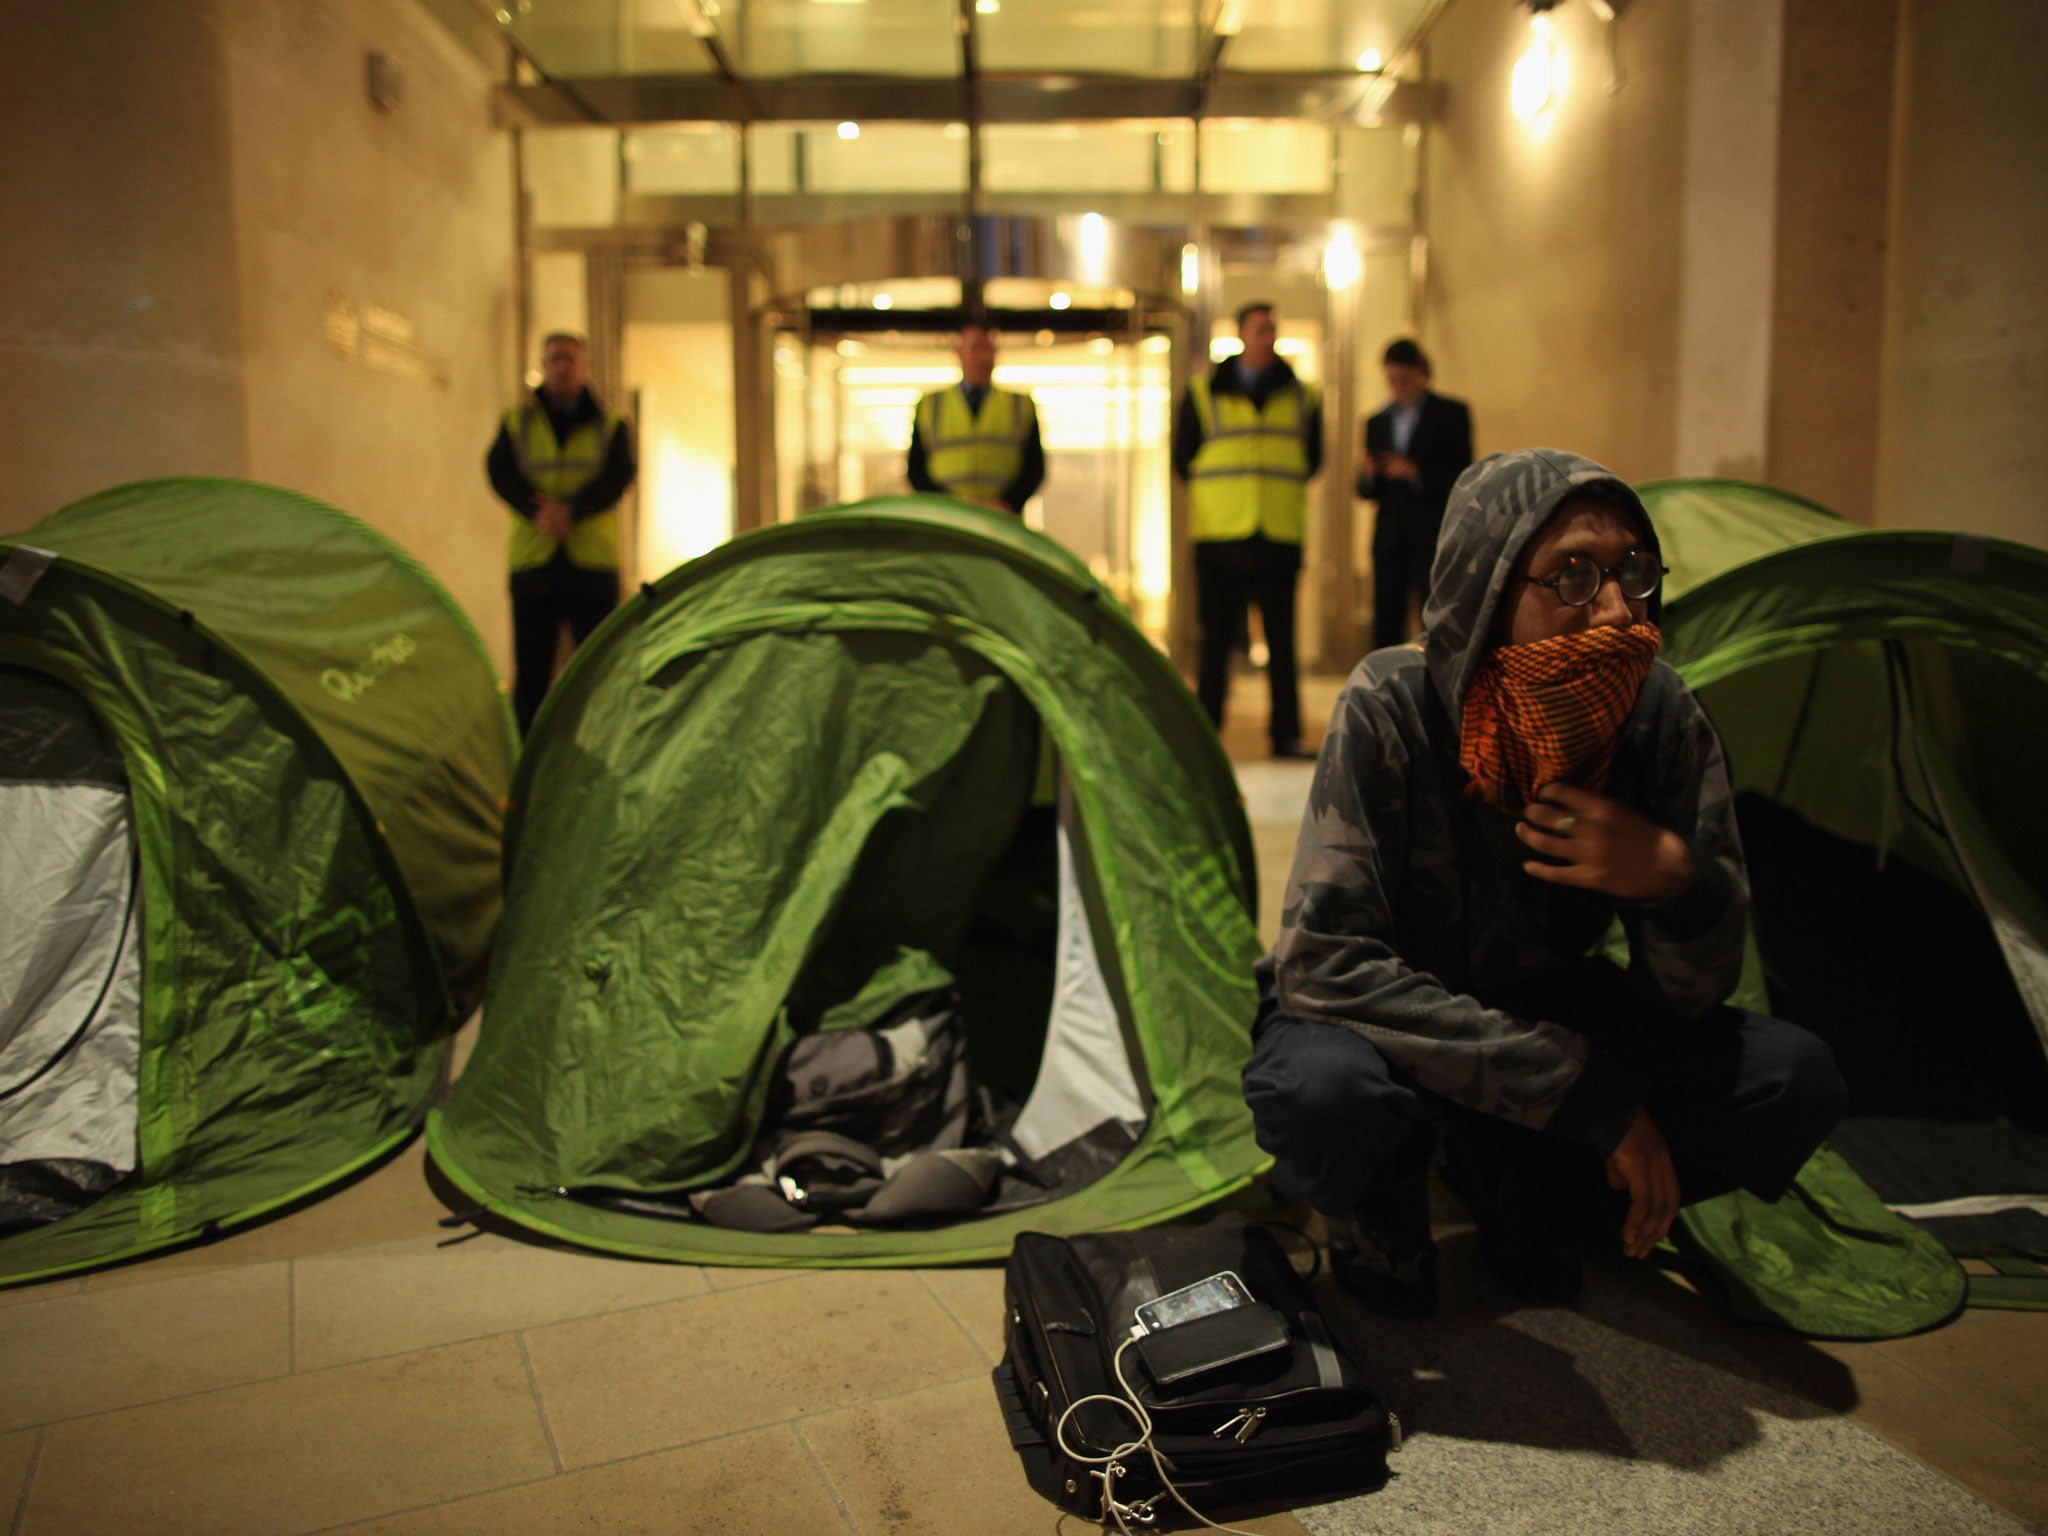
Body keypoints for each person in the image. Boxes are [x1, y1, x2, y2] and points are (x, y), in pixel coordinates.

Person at [1242, 447, 1845, 1317]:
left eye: (1632, 573)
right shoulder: (1395, 702)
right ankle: (1386, 1201)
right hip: (1386, 1022)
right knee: (1324, 1091)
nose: (1612, 611)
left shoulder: (1659, 715)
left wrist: (1674, 885)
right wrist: (1581, 1094)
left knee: (1792, 1079)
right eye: (1570, 575)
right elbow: (1323, 966)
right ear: (1487, 587)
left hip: (1544, 1000)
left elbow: (1692, 999)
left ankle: (1532, 1197)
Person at [1173, 302, 1324, 759]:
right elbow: (1183, 459)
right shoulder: (1202, 393)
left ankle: (1286, 735)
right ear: (1240, 335)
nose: (1268, 337)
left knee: (1282, 645)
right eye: (1260, 329)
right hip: (1222, 538)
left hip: (1277, 536)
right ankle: (1207, 734)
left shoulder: (1302, 395)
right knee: (1216, 644)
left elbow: (1313, 459)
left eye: (1273, 329)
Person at [486, 332, 637, 733]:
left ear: (585, 367)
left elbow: (620, 475)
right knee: (532, 676)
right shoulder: (517, 422)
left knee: (598, 670)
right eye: (554, 359)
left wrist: (574, 510)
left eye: (570, 358)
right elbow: (498, 472)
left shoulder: (612, 424)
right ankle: (528, 767)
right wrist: (537, 509)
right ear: (543, 366)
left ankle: (601, 746)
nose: (562, 366)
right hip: (534, 564)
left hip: (591, 565)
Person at [1358, 339, 1473, 651]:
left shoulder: (1450, 414)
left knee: (1434, 618)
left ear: (1421, 374)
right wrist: (1369, 473)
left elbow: (1463, 475)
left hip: (1431, 533)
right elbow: (1366, 491)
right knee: (1386, 622)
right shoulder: (1377, 421)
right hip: (1390, 537)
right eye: (1391, 380)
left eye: (1403, 380)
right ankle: (1384, 691)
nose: (1397, 387)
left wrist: (1415, 472)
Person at [907, 323, 1045, 514]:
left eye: (990, 349)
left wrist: (1007, 503)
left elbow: (1034, 469)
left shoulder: (1020, 405)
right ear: (959, 353)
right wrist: (945, 504)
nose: (984, 358)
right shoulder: (930, 404)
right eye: (976, 349)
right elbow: (916, 471)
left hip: (1002, 520)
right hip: (946, 519)